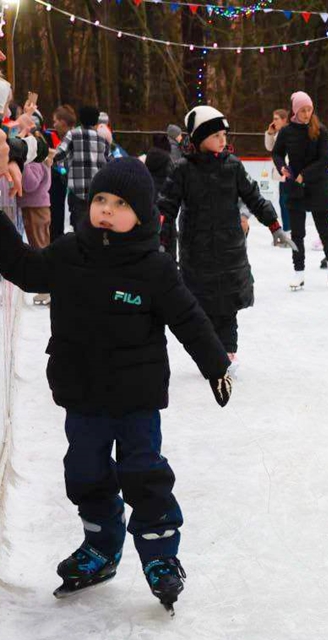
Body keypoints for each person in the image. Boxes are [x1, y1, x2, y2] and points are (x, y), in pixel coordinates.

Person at [0, 156, 233, 613]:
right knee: (85, 473)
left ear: (143, 214)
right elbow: (27, 271)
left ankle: (161, 558)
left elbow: (188, 318)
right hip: (81, 391)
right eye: (101, 199)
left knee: (144, 475)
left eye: (121, 203)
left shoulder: (154, 267)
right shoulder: (69, 252)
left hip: (136, 397)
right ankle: (101, 547)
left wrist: (214, 365)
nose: (106, 209)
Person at [158, 105, 292, 367]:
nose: (223, 140)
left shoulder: (232, 166)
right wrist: (162, 247)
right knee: (201, 307)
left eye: (224, 135)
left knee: (228, 307)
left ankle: (228, 353)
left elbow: (253, 197)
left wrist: (275, 226)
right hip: (196, 251)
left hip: (230, 249)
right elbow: (166, 210)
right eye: (216, 135)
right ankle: (209, 351)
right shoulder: (183, 169)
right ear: (199, 138)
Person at [271, 92, 328, 289]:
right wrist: (282, 165)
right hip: (295, 188)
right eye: (302, 110)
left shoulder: (320, 131)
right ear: (295, 111)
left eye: (309, 109)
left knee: (324, 229)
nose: (307, 113)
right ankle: (299, 272)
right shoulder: (287, 132)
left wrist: (305, 175)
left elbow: (326, 159)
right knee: (297, 234)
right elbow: (277, 152)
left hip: (318, 185)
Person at [52, 105, 111, 231]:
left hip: (77, 192)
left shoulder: (72, 135)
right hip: (96, 191)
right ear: (96, 121)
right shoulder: (102, 140)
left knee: (79, 227)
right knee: (95, 226)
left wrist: (62, 168)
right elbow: (109, 164)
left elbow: (59, 155)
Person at [18, 129, 53, 305]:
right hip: (38, 206)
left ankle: (46, 287)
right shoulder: (41, 162)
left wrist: (22, 164)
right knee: (40, 243)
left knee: (38, 245)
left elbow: (30, 185)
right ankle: (46, 285)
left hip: (35, 207)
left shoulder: (35, 163)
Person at [48, 105, 76, 240]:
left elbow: (57, 160)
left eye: (55, 121)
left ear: (63, 123)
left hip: (67, 189)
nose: (53, 125)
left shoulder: (70, 139)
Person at [263, 109, 290, 234]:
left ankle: (289, 229)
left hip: (288, 171)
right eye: (273, 118)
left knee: (286, 201)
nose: (273, 121)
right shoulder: (278, 134)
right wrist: (269, 133)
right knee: (283, 201)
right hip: (283, 172)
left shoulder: (289, 133)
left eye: (276, 119)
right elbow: (270, 148)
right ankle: (287, 228)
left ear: (284, 120)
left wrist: (287, 168)